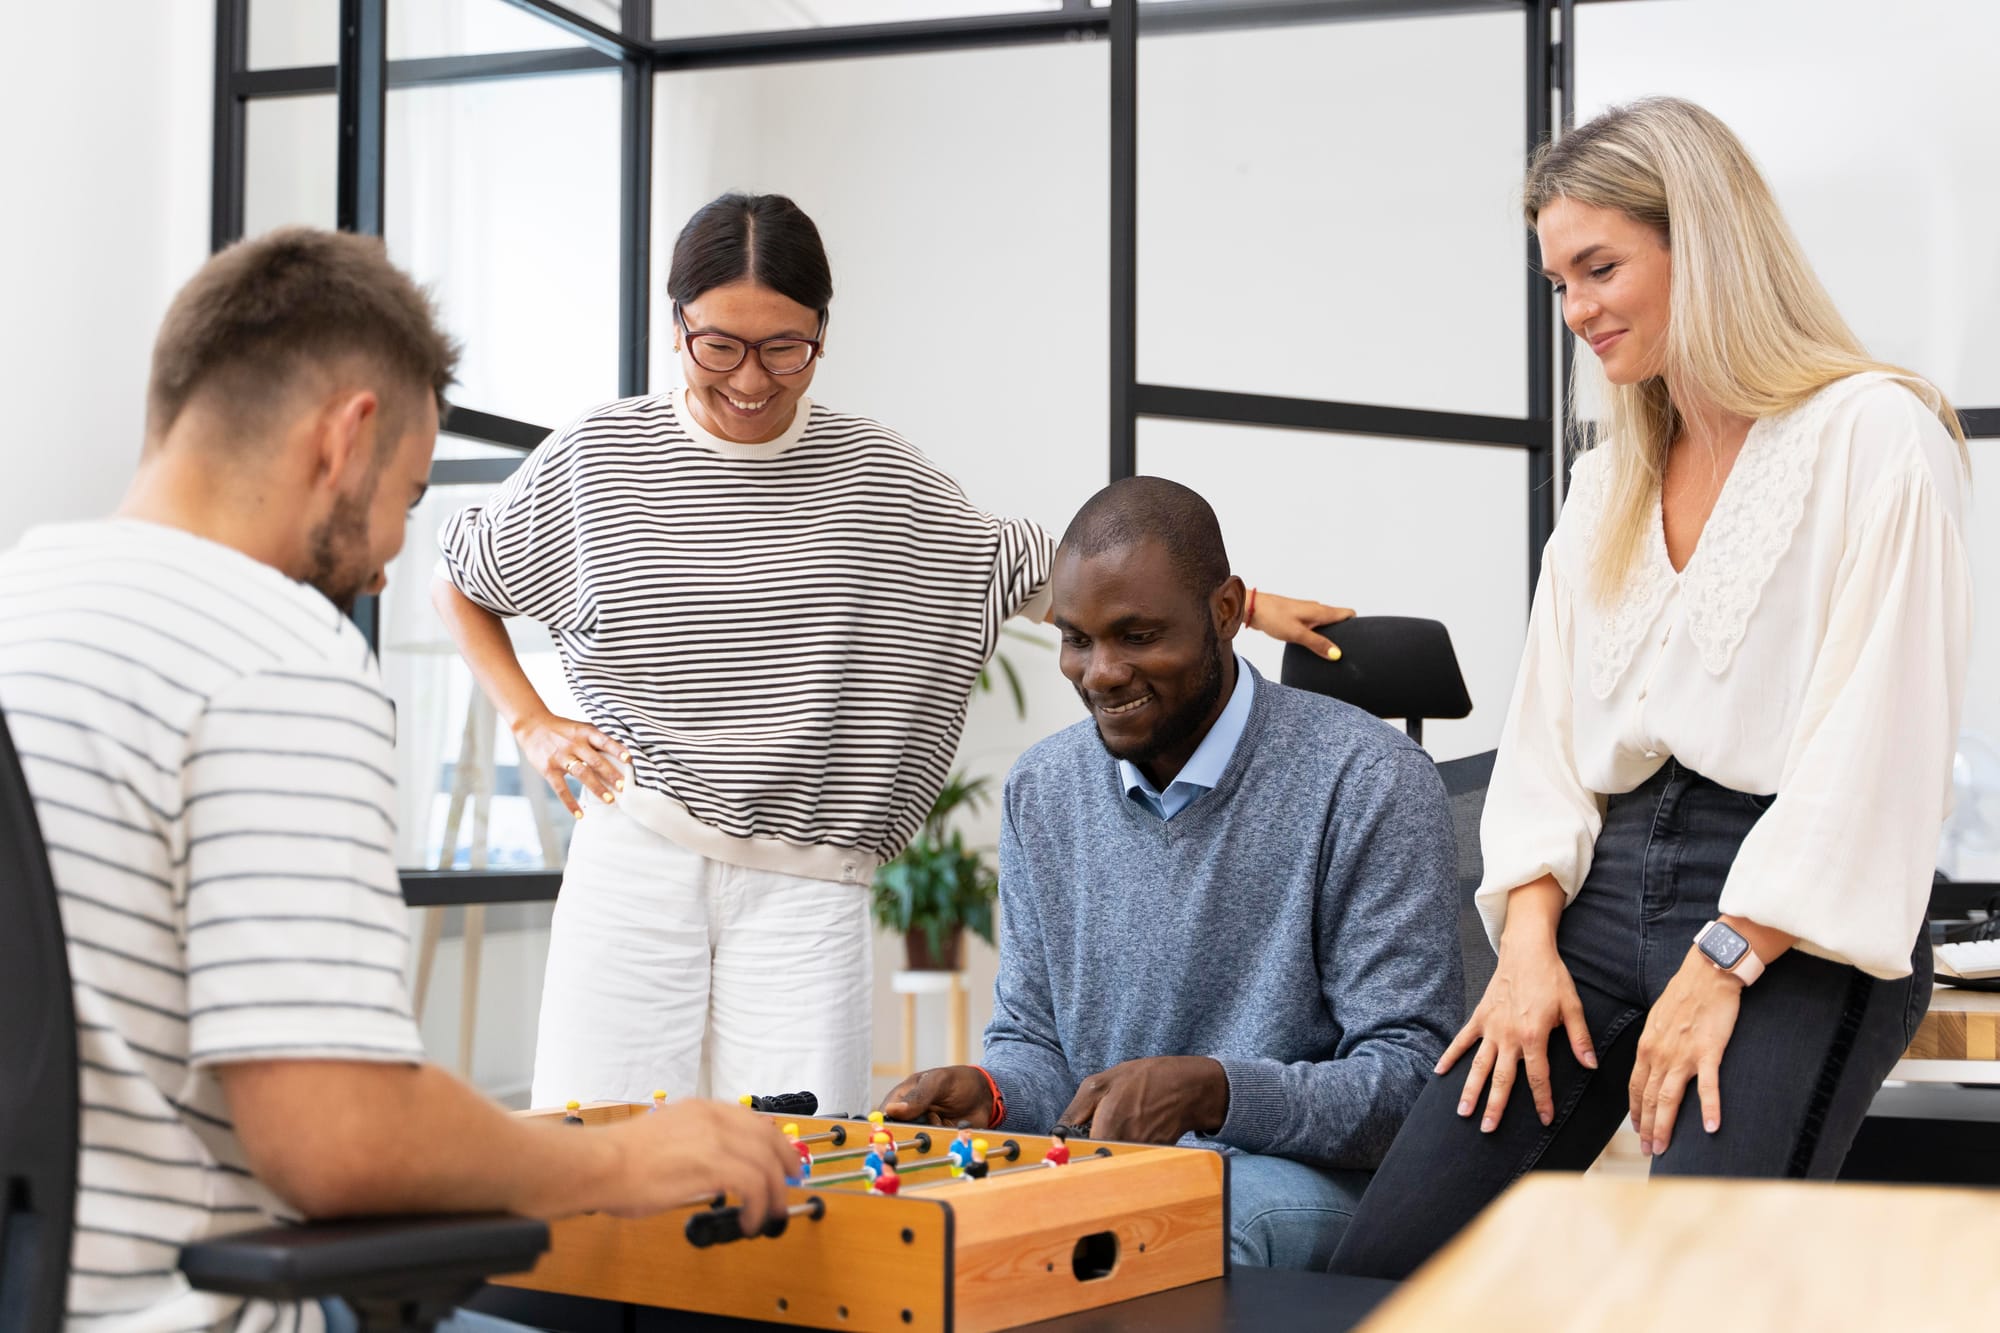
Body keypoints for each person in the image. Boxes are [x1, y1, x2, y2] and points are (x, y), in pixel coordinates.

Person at [0, 228, 794, 1332]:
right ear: (346, 438)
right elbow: (338, 1138)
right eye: (410, 498)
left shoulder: (20, 602)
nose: (385, 565)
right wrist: (617, 1158)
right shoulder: (274, 654)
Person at [431, 192, 1352, 1113]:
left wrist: (1249, 605)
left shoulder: (876, 476)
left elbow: (1047, 574)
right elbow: (459, 576)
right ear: (677, 326)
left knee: (800, 1187)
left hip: (807, 885)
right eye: (720, 344)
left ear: (821, 335)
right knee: (594, 1157)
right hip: (635, 856)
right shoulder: (600, 457)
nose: (752, 378)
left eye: (784, 347)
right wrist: (534, 721)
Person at [1330, 98, 1971, 1279]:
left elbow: (1872, 753)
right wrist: (1523, 946)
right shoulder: (1608, 475)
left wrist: (1723, 958)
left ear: (1705, 242)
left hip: (1789, 920)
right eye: (1556, 284)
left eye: (1599, 268)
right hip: (1591, 896)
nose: (1575, 311)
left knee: (1695, 1280)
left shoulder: (1876, 436)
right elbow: (1543, 739)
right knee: (1383, 1269)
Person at [880, 477, 1462, 1270]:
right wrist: (992, 1091)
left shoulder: (1369, 780)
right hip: (1120, 1175)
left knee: (1162, 1237)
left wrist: (1215, 1092)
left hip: (1310, 1181)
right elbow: (1037, 1044)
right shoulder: (1042, 790)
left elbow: (1408, 1088)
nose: (1102, 672)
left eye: (1137, 635)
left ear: (1225, 612)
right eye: (1076, 638)